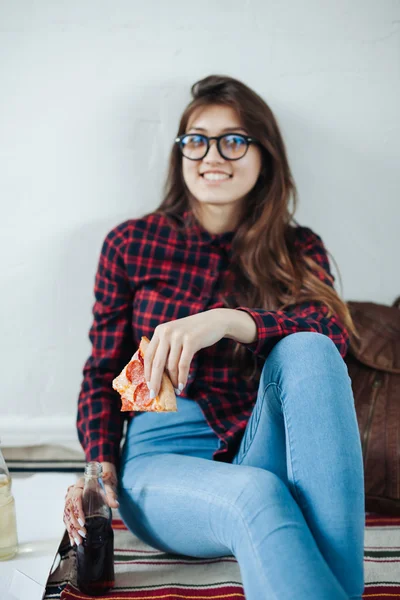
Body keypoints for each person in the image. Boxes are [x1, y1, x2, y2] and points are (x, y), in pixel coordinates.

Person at [63, 75, 365, 600]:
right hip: (160, 462)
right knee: (258, 494)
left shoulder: (297, 248)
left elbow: (334, 333)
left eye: (234, 140)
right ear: (181, 153)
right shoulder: (131, 244)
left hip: (258, 443)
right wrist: (96, 464)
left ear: (264, 155)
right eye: (196, 140)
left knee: (311, 345)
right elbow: (100, 372)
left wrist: (228, 320)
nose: (211, 155)